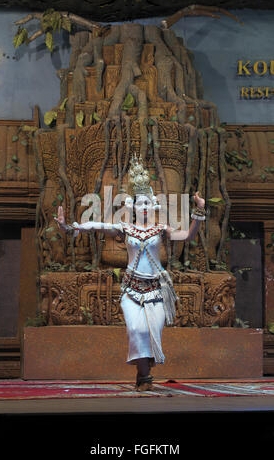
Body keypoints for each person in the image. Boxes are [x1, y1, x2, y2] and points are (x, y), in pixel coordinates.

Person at [55, 155, 206, 391]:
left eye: (148, 203)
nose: (144, 207)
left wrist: (199, 211)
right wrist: (69, 227)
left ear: (153, 206)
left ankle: (143, 372)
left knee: (151, 332)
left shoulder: (160, 228)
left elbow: (187, 236)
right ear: (133, 207)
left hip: (155, 289)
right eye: (140, 204)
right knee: (136, 330)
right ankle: (145, 376)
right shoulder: (125, 228)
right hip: (131, 289)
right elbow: (96, 226)